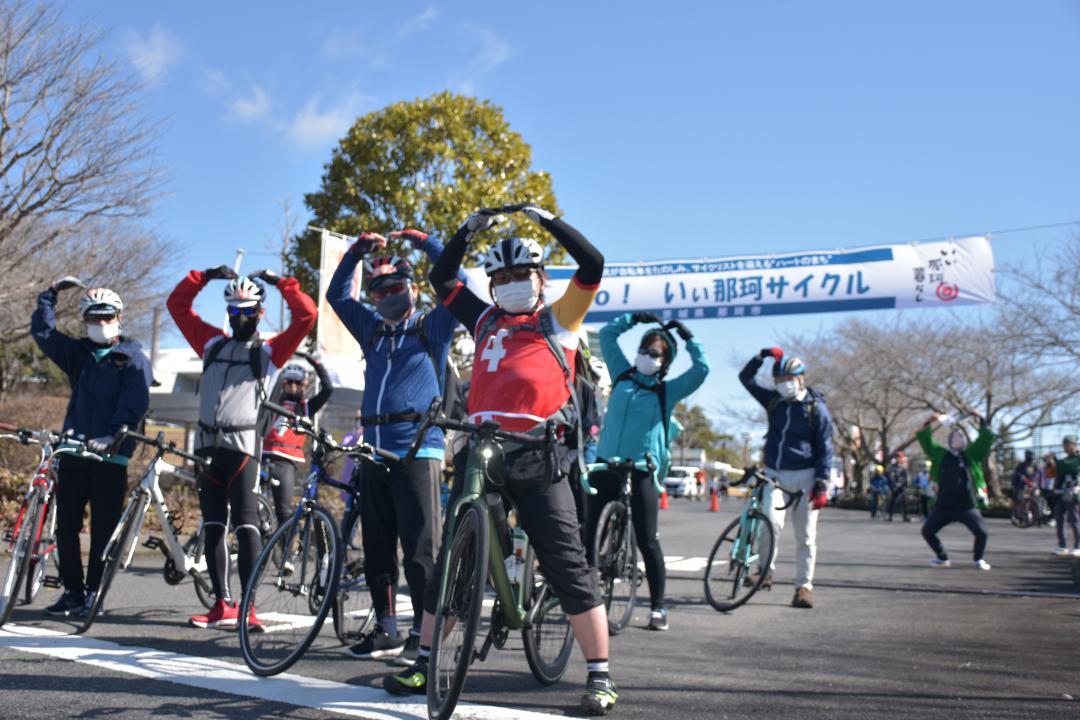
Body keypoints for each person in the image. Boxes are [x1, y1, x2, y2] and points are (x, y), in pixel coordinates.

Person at [384, 204, 617, 716]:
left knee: (568, 566)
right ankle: (425, 659)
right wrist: (467, 229)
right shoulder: (484, 318)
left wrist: (548, 220)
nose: (512, 283)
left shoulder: (561, 318)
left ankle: (599, 675)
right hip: (480, 448)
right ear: (492, 286)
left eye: (521, 275)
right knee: (452, 562)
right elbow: (442, 276)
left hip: (537, 453)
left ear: (540, 279)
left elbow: (593, 264)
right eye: (502, 276)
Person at [326, 228, 455, 662]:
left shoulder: (432, 327)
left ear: (413, 289)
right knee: (377, 546)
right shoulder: (373, 331)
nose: (386, 296)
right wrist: (356, 253)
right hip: (373, 448)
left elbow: (454, 283)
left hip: (418, 449)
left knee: (420, 550)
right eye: (378, 291)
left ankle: (424, 631)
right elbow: (338, 296)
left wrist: (427, 243)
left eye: (396, 288)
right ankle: (386, 628)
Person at [167, 266, 316, 629]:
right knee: (214, 525)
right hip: (207, 449)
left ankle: (248, 608)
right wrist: (203, 276)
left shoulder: (270, 352)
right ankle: (222, 604)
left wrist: (282, 282)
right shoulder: (212, 343)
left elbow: (306, 315)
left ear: (260, 312)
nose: (241, 317)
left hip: (243, 450)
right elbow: (177, 306)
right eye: (235, 311)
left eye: (248, 311)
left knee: (247, 525)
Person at [31, 279, 152, 617]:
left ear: (119, 317)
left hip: (111, 458)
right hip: (74, 451)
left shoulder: (133, 358)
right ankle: (71, 591)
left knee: (103, 530)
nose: (101, 324)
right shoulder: (79, 355)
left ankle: (95, 593)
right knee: (66, 526)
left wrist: (114, 435)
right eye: (94, 318)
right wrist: (50, 293)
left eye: (107, 316)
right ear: (84, 321)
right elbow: (43, 332)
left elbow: (134, 403)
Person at [587, 311, 709, 631]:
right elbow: (608, 336)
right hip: (606, 463)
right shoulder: (622, 376)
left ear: (665, 361)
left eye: (655, 353)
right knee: (588, 533)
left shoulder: (666, 391)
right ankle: (582, 599)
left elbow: (702, 369)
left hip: (642, 468)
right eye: (644, 349)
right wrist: (633, 318)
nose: (647, 356)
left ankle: (658, 606)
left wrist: (688, 337)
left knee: (647, 540)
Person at [739, 348, 833, 609]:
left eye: (789, 380)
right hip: (775, 474)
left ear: (801, 379)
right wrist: (760, 357)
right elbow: (745, 379)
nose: (784, 385)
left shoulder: (817, 409)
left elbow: (826, 447)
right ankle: (765, 571)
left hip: (806, 476)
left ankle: (803, 587)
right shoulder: (774, 402)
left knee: (805, 536)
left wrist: (822, 482)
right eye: (779, 381)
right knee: (769, 522)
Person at [262, 354, 333, 529]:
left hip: (286, 461)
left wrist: (315, 363)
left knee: (284, 512)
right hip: (263, 456)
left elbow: (328, 389)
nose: (293, 386)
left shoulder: (306, 407)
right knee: (252, 506)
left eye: (298, 383)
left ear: (304, 385)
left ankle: (286, 553)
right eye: (289, 382)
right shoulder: (272, 401)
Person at [916, 413, 994, 570]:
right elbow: (924, 436)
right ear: (949, 441)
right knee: (927, 531)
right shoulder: (939, 454)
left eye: (960, 437)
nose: (957, 438)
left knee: (982, 532)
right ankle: (942, 558)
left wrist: (979, 418)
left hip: (967, 506)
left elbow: (985, 438)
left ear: (964, 441)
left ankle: (978, 559)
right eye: (954, 437)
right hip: (943, 506)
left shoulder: (972, 455)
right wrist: (932, 419)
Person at [1045, 436, 1080, 556]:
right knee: (1059, 520)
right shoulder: (1064, 461)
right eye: (1064, 444)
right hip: (1060, 493)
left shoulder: (1076, 459)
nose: (1065, 447)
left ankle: (1078, 546)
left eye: (1067, 444)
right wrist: (1050, 463)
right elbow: (1051, 473)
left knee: (1075, 520)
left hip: (1073, 493)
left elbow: (1069, 466)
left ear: (1074, 445)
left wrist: (1055, 461)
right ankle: (1062, 545)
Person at [887, 451, 911, 522]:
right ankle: (890, 516)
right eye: (898, 457)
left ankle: (905, 516)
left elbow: (905, 477)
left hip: (902, 487)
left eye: (900, 458)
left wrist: (904, 484)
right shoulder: (892, 467)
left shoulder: (902, 468)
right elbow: (891, 478)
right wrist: (894, 486)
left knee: (904, 501)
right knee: (892, 501)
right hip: (895, 487)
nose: (899, 459)